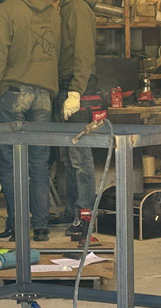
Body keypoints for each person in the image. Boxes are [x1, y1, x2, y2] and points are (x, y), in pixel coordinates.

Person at [0, 0, 61, 242]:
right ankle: (41, 227)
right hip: (44, 94)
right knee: (39, 162)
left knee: (10, 162)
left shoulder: (5, 11)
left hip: (14, 92)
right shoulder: (53, 12)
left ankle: (17, 225)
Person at [54, 0, 98, 236]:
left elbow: (84, 54)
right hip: (66, 86)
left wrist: (76, 91)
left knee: (80, 155)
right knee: (67, 155)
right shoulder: (65, 8)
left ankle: (85, 216)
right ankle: (72, 211)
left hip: (76, 87)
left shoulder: (78, 9)